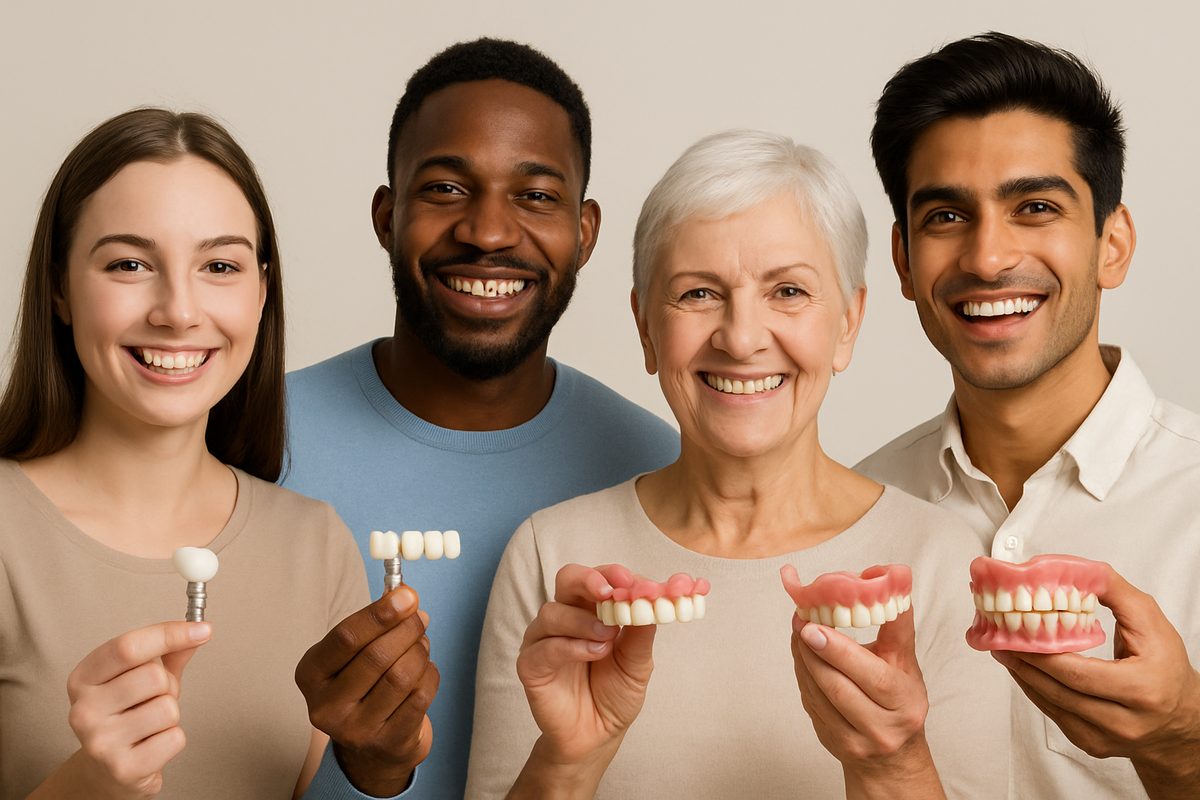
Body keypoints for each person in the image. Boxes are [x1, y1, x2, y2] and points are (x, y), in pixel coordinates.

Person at [466, 130, 1007, 798]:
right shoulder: (552, 555)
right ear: (645, 329)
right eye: (698, 294)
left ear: (847, 324)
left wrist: (890, 766)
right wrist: (568, 761)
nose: (742, 337)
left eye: (787, 291)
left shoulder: (942, 561)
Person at [284, 38, 679, 797]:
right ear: (386, 216)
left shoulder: (655, 466)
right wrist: (367, 771)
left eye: (534, 195)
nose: (489, 232)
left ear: (586, 232)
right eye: (444, 189)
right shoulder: (250, 440)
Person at [856, 31, 1200, 799]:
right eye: (946, 216)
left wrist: (1184, 739)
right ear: (905, 263)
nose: (986, 257)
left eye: (1035, 207)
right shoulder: (852, 516)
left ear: (1112, 244)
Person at [0, 109, 370, 798]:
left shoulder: (315, 546)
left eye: (220, 265)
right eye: (130, 263)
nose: (177, 310)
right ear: (59, 288)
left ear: (262, 291)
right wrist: (86, 786)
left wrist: (386, 763)